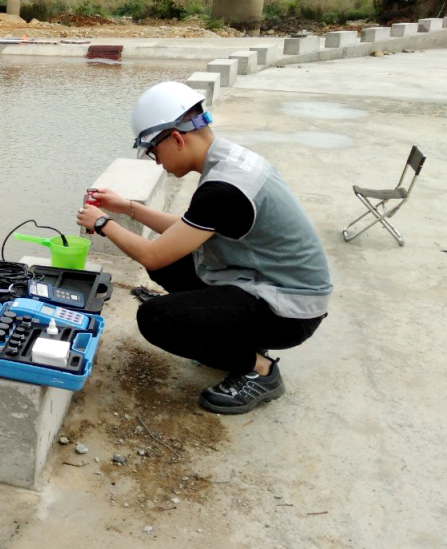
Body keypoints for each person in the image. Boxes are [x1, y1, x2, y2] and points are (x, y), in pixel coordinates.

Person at [76, 81, 331, 415]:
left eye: (154, 152)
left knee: (157, 319)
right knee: (167, 264)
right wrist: (125, 207)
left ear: (177, 138)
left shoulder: (223, 189)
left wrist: (101, 224)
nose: (157, 162)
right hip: (267, 281)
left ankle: (260, 369)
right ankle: (240, 339)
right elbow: (185, 230)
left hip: (289, 310)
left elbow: (152, 253)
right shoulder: (227, 160)